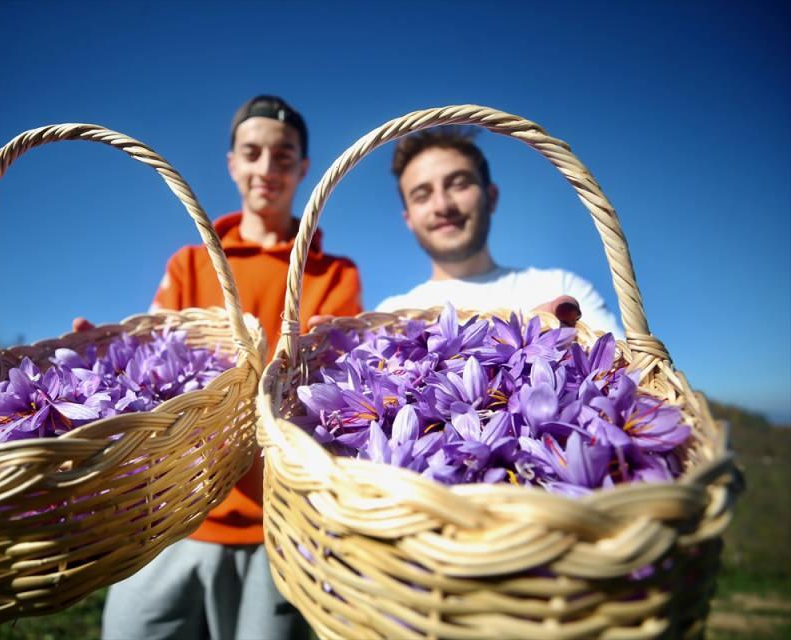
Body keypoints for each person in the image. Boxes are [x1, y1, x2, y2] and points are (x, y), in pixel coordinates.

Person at [96, 96, 362, 640]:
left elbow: (327, 384)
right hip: (173, 515)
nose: (268, 168)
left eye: (284, 156)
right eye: (253, 153)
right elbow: (155, 359)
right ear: (232, 164)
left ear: (305, 169)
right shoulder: (193, 262)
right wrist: (104, 359)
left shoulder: (335, 273)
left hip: (279, 519)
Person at [376, 127, 622, 336]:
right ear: (408, 219)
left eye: (459, 184)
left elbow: (631, 380)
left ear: (491, 197)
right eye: (422, 195)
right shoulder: (390, 318)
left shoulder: (560, 286)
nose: (443, 205)